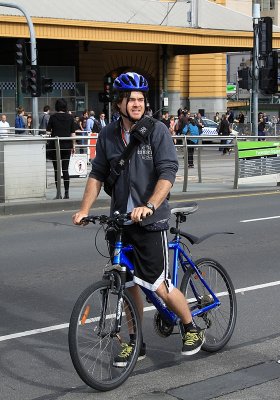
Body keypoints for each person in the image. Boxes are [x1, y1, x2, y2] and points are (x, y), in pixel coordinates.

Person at [72, 71, 205, 367]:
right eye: (130, 99)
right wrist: (83, 209)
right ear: (118, 103)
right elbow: (97, 174)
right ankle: (136, 343)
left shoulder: (156, 130)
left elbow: (168, 172)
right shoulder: (108, 134)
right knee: (129, 284)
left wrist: (150, 204)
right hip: (121, 221)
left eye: (141, 99)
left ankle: (190, 327)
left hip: (150, 220)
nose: (136, 104)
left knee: (158, 285)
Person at [46, 98, 76, 199]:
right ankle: (67, 193)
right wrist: (73, 146)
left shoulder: (53, 117)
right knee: (65, 170)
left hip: (55, 146)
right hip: (67, 146)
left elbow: (48, 132)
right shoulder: (70, 117)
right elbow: (73, 133)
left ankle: (58, 193)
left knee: (56, 170)